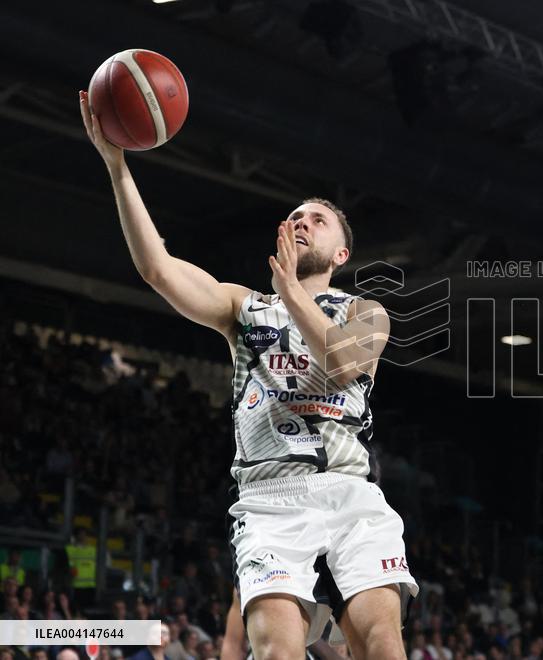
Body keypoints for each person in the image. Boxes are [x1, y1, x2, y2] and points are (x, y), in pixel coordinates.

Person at [80, 89, 418, 660]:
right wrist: (117, 169)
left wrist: (291, 291)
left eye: (317, 219)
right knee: (277, 650)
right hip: (270, 497)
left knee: (382, 644)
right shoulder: (245, 308)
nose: (301, 222)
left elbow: (339, 364)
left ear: (341, 254)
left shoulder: (366, 312)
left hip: (349, 492)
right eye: (294, 217)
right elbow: (157, 269)